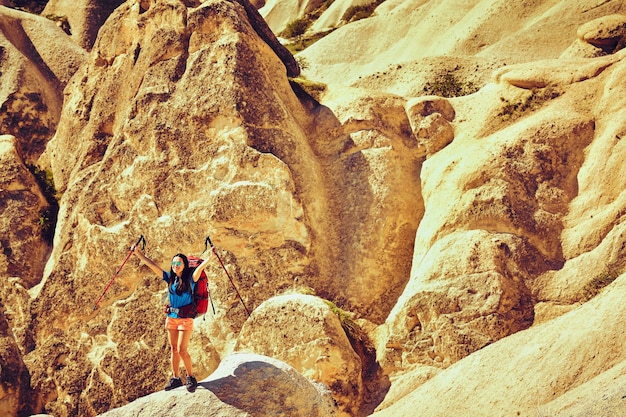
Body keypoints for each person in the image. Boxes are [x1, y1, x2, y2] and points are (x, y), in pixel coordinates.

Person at [133, 247, 213, 392]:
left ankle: (190, 377)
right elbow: (152, 265)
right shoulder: (170, 278)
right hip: (171, 318)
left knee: (182, 350)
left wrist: (211, 257)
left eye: (179, 264)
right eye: (174, 264)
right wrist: (139, 254)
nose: (175, 266)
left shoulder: (191, 278)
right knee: (174, 349)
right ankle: (176, 378)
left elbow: (201, 267)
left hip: (185, 319)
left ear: (184, 265)